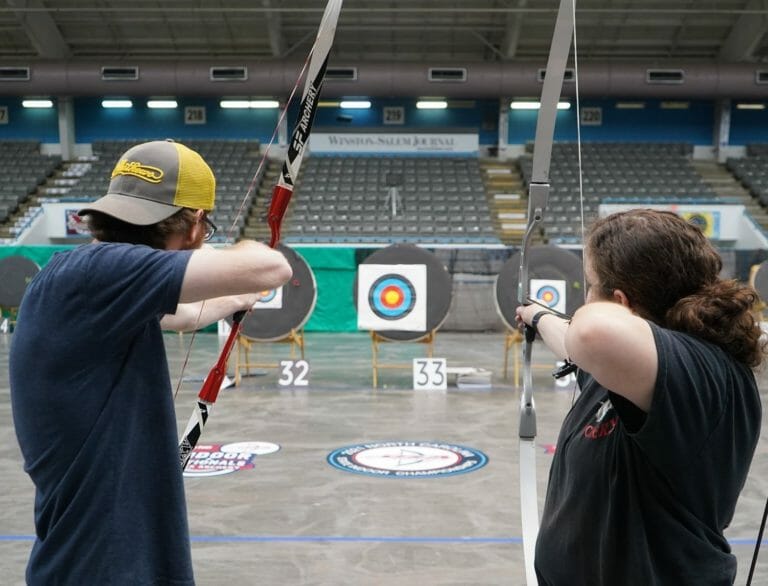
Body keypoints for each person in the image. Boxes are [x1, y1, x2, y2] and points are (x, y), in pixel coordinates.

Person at [9, 139, 292, 585]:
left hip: (106, 557)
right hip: (101, 568)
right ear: (195, 222)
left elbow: (182, 315)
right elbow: (272, 267)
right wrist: (243, 271)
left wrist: (237, 298)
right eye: (205, 226)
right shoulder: (104, 271)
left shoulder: (85, 280)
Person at [516, 209, 763, 585]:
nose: (586, 298)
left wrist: (581, 323)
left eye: (590, 284)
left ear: (620, 301)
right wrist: (537, 317)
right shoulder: (634, 370)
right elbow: (575, 347)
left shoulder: (701, 373)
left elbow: (590, 334)